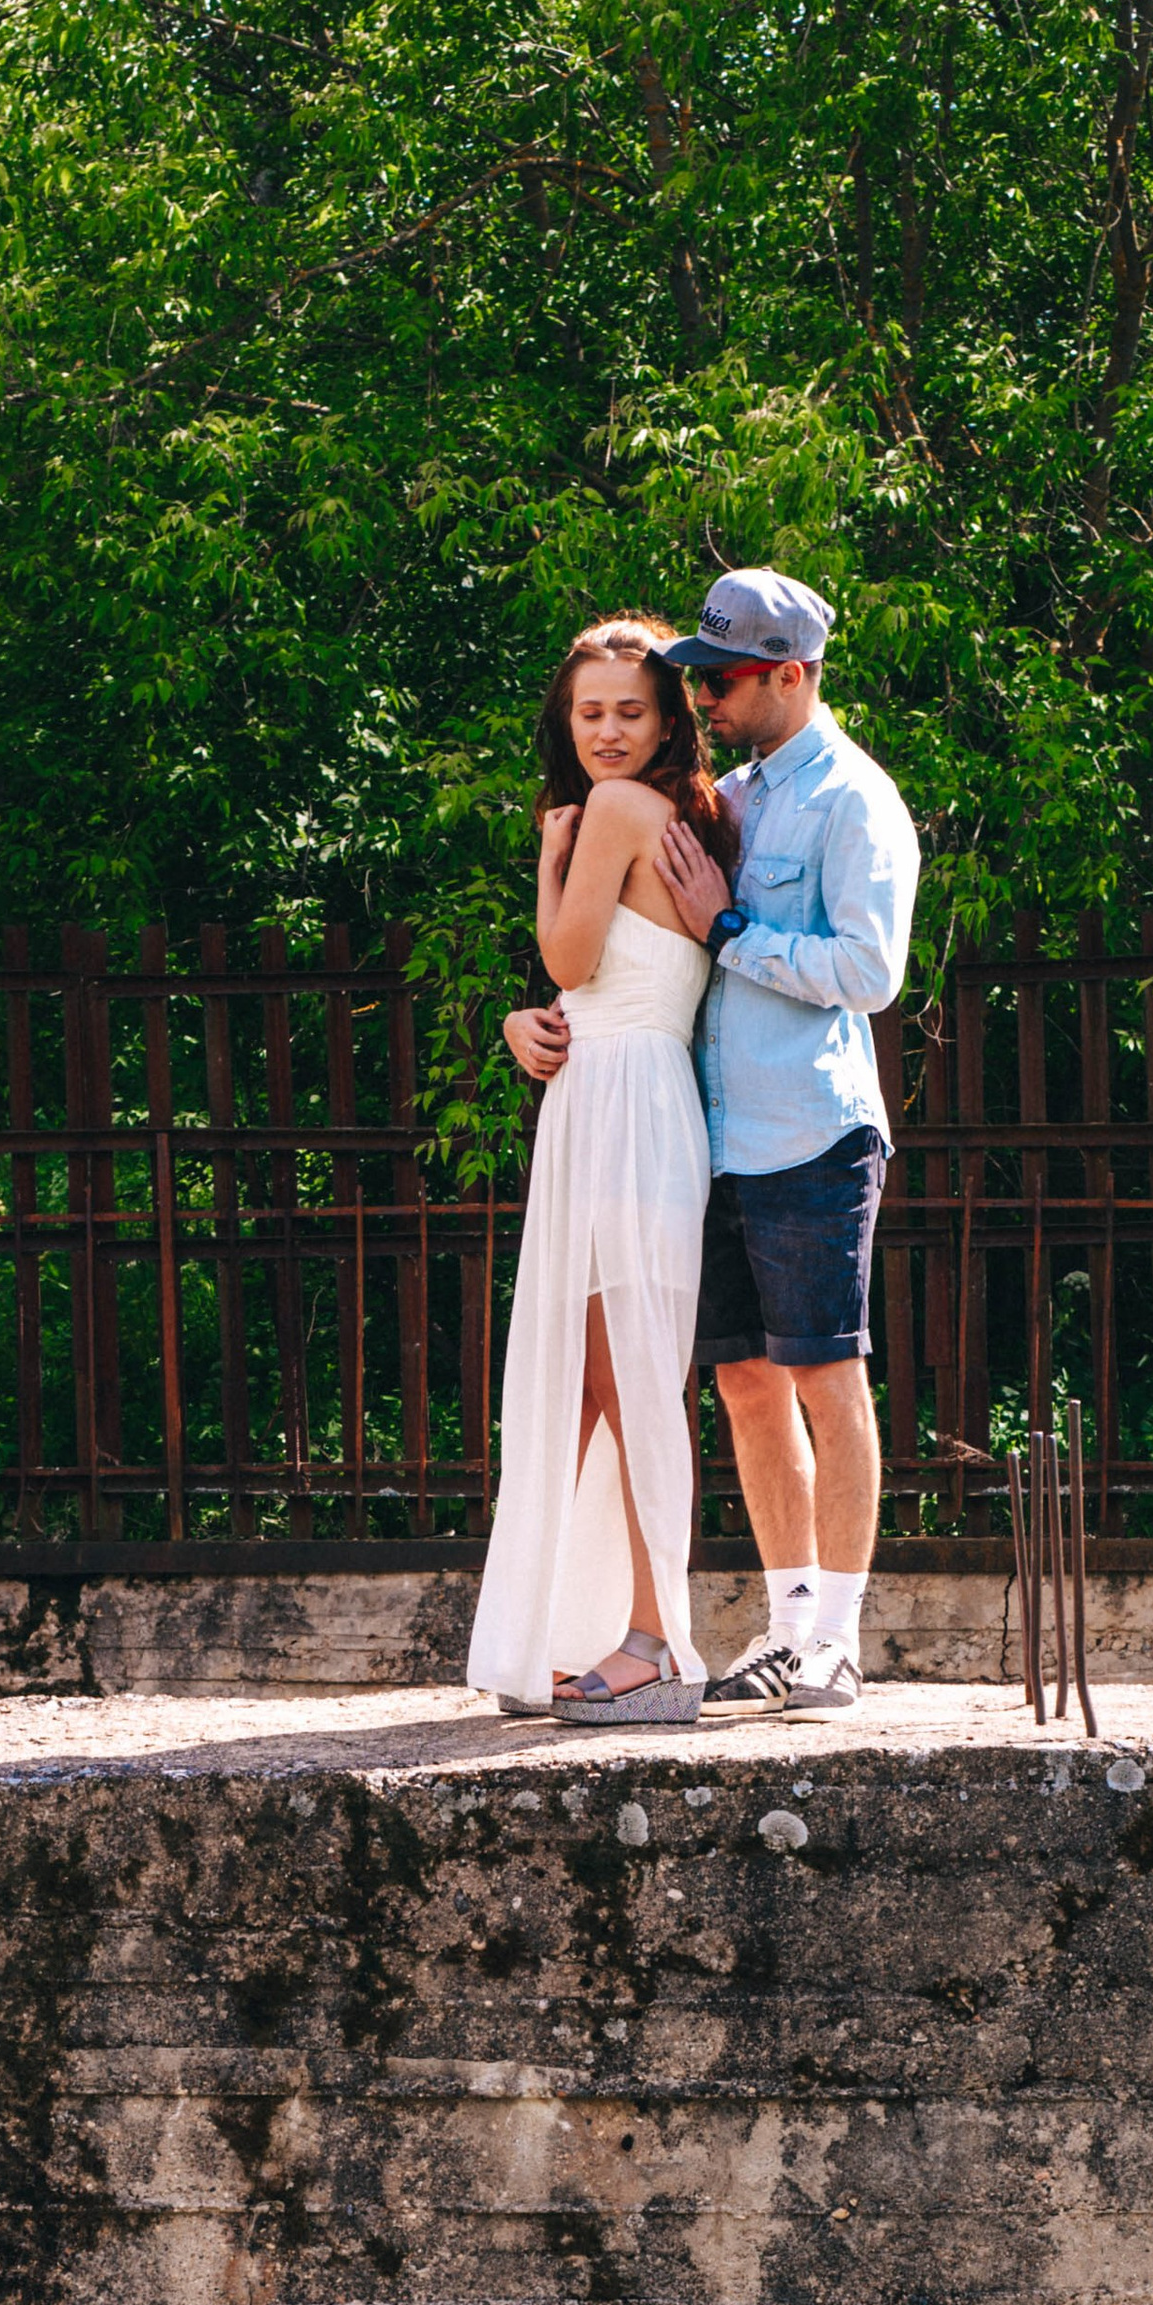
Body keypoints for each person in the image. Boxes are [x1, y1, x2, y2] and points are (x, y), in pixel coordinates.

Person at [505, 568, 918, 1714]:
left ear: (789, 674)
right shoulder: (722, 798)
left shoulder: (854, 799)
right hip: (710, 1132)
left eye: (722, 679)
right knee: (742, 1383)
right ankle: (785, 1627)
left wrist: (729, 928)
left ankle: (835, 1638)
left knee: (826, 1375)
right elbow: (630, 963)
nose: (703, 697)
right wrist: (533, 1019)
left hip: (810, 1128)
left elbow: (869, 972)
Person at [464, 617, 741, 1726]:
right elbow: (588, 985)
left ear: (669, 720)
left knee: (627, 1381)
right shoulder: (675, 813)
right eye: (590, 712)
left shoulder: (620, 809)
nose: (609, 731)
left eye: (632, 710)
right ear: (565, 719)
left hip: (623, 1104)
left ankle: (655, 1641)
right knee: (591, 1378)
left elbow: (571, 961)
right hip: (615, 1096)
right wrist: (519, 1022)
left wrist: (547, 861)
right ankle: (554, 1628)